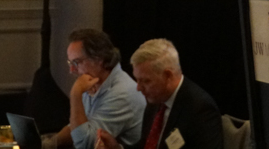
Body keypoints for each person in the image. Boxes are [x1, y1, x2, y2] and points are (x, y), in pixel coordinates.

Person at [95, 39, 223, 149]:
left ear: (168, 76)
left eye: (146, 81)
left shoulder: (200, 109)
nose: (138, 88)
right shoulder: (156, 99)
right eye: (137, 80)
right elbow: (145, 146)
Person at [55, 29, 145, 149]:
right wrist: (50, 142)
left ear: (99, 59)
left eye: (76, 62)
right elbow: (77, 127)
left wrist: (75, 95)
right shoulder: (92, 81)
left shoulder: (122, 93)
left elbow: (85, 144)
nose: (71, 70)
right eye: (70, 63)